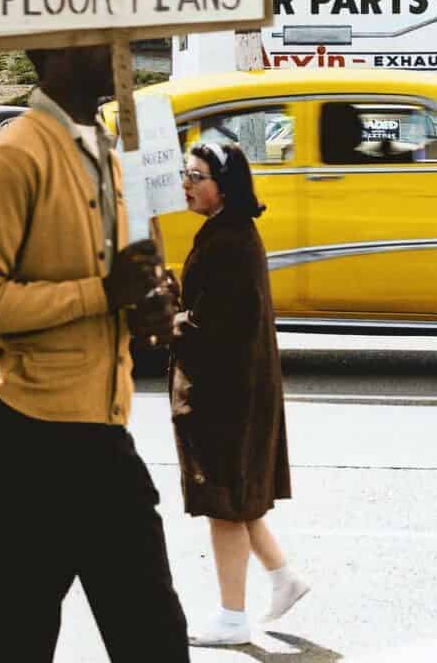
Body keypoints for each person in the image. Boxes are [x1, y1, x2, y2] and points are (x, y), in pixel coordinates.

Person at [0, 43, 187, 662]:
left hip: (103, 437)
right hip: (32, 443)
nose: (118, 46)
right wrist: (103, 293)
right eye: (98, 34)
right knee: (15, 644)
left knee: (156, 639)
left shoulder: (106, 151)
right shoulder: (14, 155)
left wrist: (147, 310)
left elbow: (119, 289)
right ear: (53, 51)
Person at [170, 142, 308, 647]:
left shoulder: (228, 241)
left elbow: (214, 325)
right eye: (186, 173)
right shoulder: (227, 233)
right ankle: (283, 577)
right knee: (240, 499)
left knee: (224, 503)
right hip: (235, 388)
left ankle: (232, 617)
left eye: (197, 175)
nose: (187, 183)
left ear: (223, 184)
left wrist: (168, 318)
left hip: (225, 395)